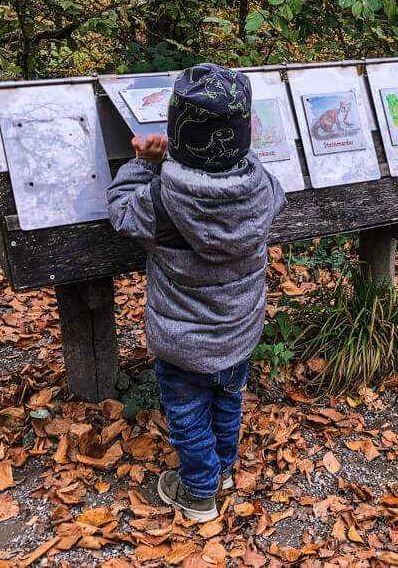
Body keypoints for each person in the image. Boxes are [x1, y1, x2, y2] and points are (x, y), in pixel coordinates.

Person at [107, 63, 287, 522]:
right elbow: (276, 193)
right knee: (228, 403)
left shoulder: (163, 203)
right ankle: (224, 471)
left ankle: (199, 493)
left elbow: (122, 213)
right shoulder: (261, 191)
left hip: (183, 344)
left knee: (187, 417)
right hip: (239, 333)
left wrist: (142, 165)